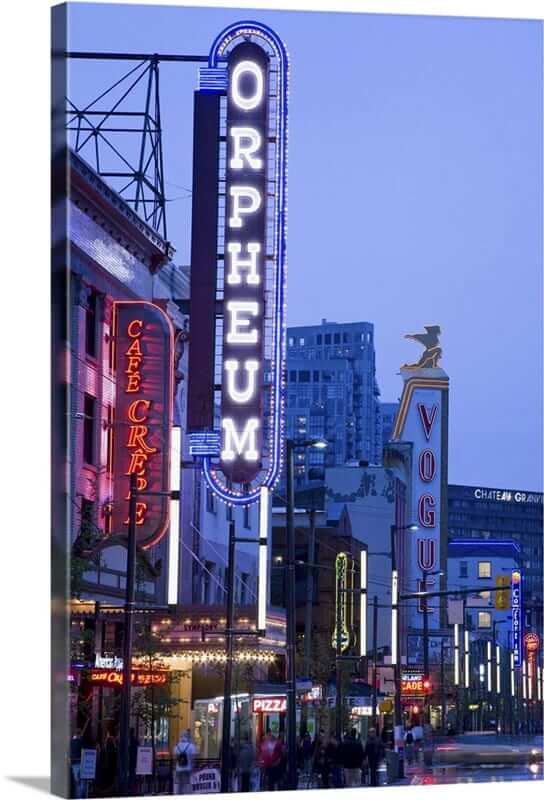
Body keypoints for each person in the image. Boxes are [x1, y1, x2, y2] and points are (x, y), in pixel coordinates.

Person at [174, 729, 196, 794]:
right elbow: (193, 759)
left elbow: (175, 759)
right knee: (187, 785)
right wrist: (193, 767)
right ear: (187, 736)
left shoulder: (176, 746)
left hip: (178, 769)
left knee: (179, 786)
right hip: (188, 768)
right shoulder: (191, 746)